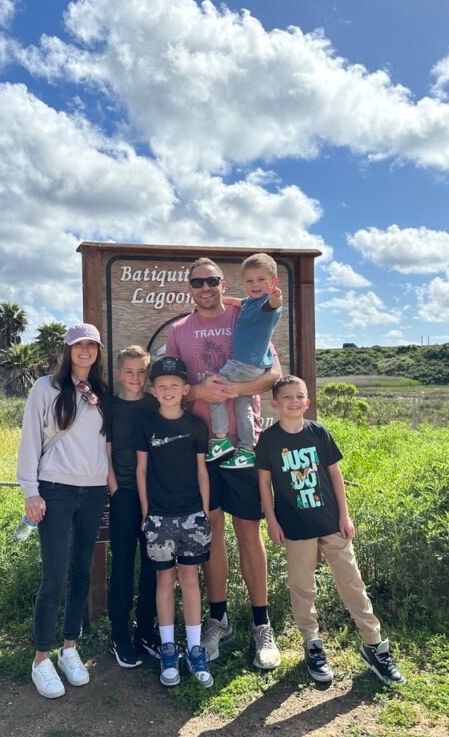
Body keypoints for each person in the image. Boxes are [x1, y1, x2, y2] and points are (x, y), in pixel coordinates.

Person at [165, 257, 282, 670]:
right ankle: (218, 619)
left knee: (249, 533)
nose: (207, 287)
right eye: (198, 281)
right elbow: (170, 388)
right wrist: (200, 391)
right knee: (211, 531)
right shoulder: (179, 332)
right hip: (202, 448)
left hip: (244, 445)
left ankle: (261, 626)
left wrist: (234, 390)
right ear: (189, 287)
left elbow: (274, 375)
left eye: (213, 280)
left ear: (222, 283)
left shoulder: (244, 312)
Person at [256, 375, 406, 686]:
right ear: (275, 403)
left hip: (331, 522)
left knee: (352, 583)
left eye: (300, 396)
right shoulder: (269, 440)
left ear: (308, 402)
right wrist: (271, 520)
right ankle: (312, 644)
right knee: (302, 587)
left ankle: (374, 645)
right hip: (295, 527)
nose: (294, 401)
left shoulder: (319, 432)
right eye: (287, 397)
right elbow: (264, 484)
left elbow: (336, 476)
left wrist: (345, 516)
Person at [17, 323, 110, 699]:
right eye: (78, 345)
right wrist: (30, 491)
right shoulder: (46, 387)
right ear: (68, 350)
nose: (85, 351)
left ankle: (69, 647)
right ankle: (41, 658)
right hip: (54, 489)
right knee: (53, 576)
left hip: (93, 490)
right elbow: (30, 439)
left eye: (91, 345)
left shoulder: (103, 393)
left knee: (80, 573)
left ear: (98, 351)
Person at [136, 356, 213, 688]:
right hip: (159, 517)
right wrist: (145, 512)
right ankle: (169, 649)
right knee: (164, 582)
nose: (168, 391)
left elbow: (202, 471)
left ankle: (195, 649)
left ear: (185, 389)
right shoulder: (147, 425)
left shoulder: (196, 426)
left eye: (174, 385)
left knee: (191, 580)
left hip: (192, 515)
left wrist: (205, 513)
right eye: (161, 386)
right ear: (153, 391)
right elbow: (140, 470)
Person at [106, 345, 159, 667]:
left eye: (142, 372)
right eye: (130, 372)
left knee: (155, 565)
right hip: (124, 494)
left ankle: (146, 630)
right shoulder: (109, 409)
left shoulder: (156, 404)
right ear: (118, 374)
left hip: (156, 496)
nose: (136, 378)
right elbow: (104, 451)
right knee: (123, 565)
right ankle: (119, 633)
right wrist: (115, 491)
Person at [206, 252, 283, 470]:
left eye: (261, 280)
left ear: (273, 282)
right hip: (254, 366)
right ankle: (247, 450)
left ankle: (220, 440)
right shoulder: (251, 301)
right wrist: (222, 301)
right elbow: (239, 302)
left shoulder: (267, 303)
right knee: (243, 406)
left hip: (244, 364)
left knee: (216, 390)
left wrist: (275, 296)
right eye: (250, 280)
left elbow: (273, 304)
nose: (255, 284)